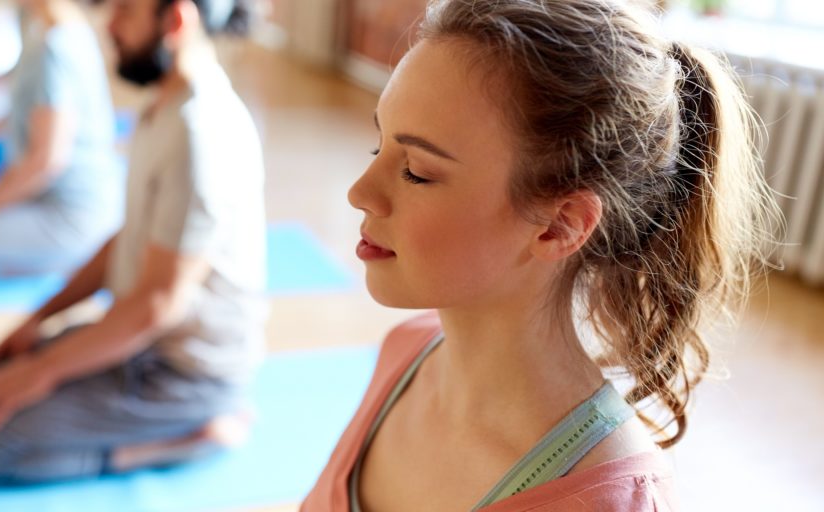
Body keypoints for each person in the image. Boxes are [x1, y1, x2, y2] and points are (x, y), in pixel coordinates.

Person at [303, 0, 778, 510]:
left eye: (416, 170)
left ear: (559, 226)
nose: (359, 192)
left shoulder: (606, 499)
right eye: (380, 147)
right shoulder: (407, 351)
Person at [0, 0, 265, 483]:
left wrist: (43, 372)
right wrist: (37, 321)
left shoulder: (202, 130)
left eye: (125, 10)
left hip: (184, 373)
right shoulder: (165, 102)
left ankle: (191, 438)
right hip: (139, 339)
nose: (109, 24)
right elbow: (128, 239)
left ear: (176, 20)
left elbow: (158, 305)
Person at [0, 0, 123, 279]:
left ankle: (74, 263)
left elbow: (47, 161)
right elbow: (36, 110)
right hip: (59, 201)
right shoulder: (57, 33)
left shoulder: (58, 46)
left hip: (73, 213)